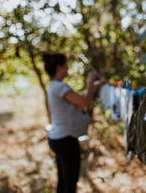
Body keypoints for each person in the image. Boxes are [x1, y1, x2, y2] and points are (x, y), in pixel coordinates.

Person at [42, 52, 107, 193]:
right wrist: (89, 82)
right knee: (70, 184)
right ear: (59, 67)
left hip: (59, 139)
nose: (68, 68)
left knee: (63, 181)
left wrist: (93, 87)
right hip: (66, 141)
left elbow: (80, 98)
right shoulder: (60, 87)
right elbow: (85, 103)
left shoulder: (54, 86)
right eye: (65, 65)